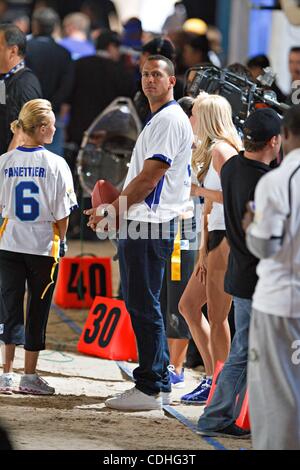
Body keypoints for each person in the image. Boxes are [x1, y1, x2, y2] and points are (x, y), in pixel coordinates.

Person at [85, 55, 194, 411]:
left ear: (172, 81)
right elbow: (141, 179)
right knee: (145, 304)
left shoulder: (167, 120)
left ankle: (148, 386)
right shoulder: (161, 119)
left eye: (157, 75)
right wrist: (111, 209)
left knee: (143, 305)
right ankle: (158, 380)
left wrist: (113, 210)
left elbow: (149, 179)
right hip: (146, 222)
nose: (149, 80)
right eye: (145, 74)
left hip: (149, 224)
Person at [197, 108, 281, 439]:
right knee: (245, 353)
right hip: (257, 279)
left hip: (240, 273)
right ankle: (216, 416)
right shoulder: (265, 183)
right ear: (274, 142)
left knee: (247, 352)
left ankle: (226, 415)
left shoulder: (231, 167)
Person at [0, 99, 78, 395]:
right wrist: (64, 238)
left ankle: (6, 373)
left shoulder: (4, 162)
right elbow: (63, 214)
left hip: (9, 243)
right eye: (53, 125)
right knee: (38, 309)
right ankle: (29, 375)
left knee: (9, 308)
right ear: (43, 128)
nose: (56, 129)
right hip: (43, 246)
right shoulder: (56, 164)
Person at [178, 94, 242, 405]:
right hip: (215, 237)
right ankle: (213, 377)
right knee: (189, 306)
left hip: (227, 237)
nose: (193, 120)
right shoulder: (211, 150)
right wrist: (203, 249)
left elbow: (234, 197)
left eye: (198, 115)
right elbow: (206, 209)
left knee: (218, 316)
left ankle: (222, 385)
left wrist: (199, 190)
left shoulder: (222, 150)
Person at [245, 104, 300, 450]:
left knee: (275, 397)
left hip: (282, 302)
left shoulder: (279, 180)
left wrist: (250, 226)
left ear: (288, 135)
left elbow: (266, 245)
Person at [0, 23, 42, 155]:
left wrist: (7, 166)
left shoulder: (26, 84)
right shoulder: (5, 79)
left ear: (12, 51)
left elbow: (29, 134)